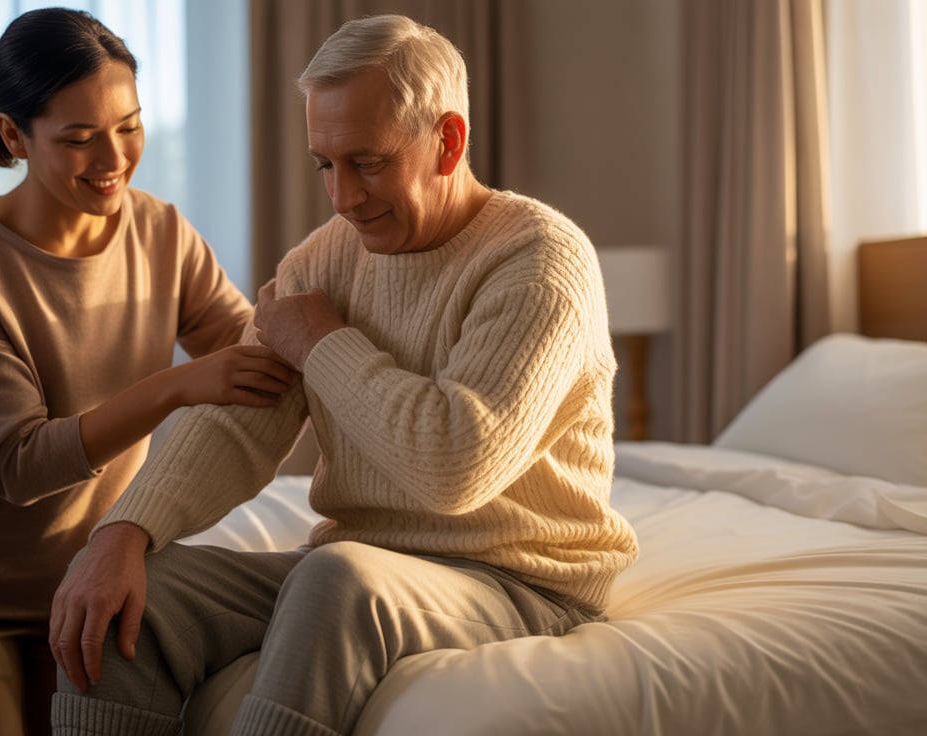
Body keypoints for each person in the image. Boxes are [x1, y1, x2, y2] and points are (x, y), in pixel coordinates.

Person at [49, 13, 638, 736]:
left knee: (335, 579)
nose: (343, 197)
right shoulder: (323, 260)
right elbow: (234, 421)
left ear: (447, 141)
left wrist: (323, 342)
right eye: (326, 164)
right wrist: (122, 534)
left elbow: (455, 468)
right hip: (367, 571)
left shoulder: (540, 262)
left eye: (368, 162)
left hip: (520, 580)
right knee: (138, 596)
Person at [0, 8, 296, 736]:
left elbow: (255, 357)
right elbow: (18, 464)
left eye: (128, 126)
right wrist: (174, 385)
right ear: (14, 135)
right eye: (78, 138)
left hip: (86, 590)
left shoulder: (161, 231)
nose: (113, 158)